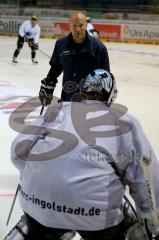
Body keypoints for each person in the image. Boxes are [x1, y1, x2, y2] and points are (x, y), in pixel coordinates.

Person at [9, 69, 159, 240]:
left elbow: (17, 153)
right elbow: (146, 177)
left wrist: (38, 174)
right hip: (94, 216)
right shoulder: (125, 121)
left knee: (41, 225)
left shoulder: (55, 110)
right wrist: (151, 222)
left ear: (81, 91)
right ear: (110, 96)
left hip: (35, 205)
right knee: (128, 225)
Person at [39, 11, 110, 105]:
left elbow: (105, 77)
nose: (77, 29)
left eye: (81, 25)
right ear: (69, 25)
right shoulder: (61, 45)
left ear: (86, 25)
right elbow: (56, 67)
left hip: (90, 103)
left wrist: (104, 100)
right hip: (67, 100)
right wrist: (48, 84)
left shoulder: (98, 48)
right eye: (74, 25)